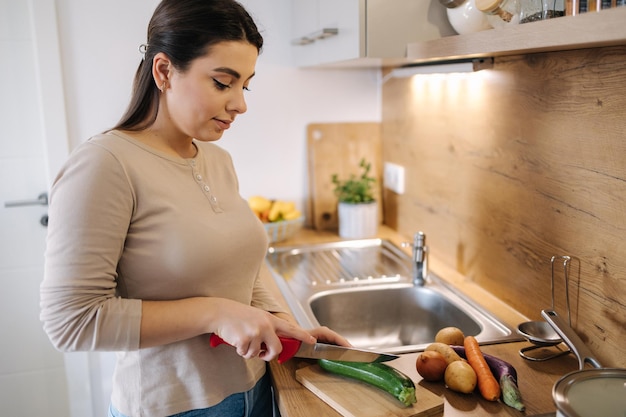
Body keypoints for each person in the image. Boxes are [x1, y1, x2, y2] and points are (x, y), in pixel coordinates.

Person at [40, 1, 349, 416]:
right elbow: (71, 322)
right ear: (164, 71)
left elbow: (243, 266)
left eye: (246, 85)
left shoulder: (216, 159)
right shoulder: (105, 165)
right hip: (173, 407)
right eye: (223, 83)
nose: (240, 104)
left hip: (256, 391)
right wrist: (214, 313)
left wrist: (281, 323)